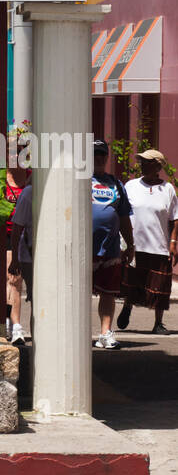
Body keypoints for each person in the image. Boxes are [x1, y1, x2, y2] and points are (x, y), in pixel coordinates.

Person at [117, 149, 178, 335]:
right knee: (132, 281)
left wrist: (173, 242)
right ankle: (128, 305)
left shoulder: (167, 189)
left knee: (160, 286)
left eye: (147, 162)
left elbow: (174, 218)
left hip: (159, 245)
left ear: (158, 166)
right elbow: (122, 213)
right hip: (134, 244)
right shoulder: (131, 186)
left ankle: (158, 323)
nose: (142, 164)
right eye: (142, 161)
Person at [91, 138, 135, 349]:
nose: (98, 159)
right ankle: (77, 333)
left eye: (102, 155)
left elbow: (124, 216)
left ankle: (105, 333)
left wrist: (130, 244)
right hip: (84, 249)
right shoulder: (79, 180)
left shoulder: (116, 183)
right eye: (94, 155)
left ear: (107, 158)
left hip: (110, 248)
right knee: (78, 292)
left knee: (108, 292)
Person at [4, 163, 30, 344]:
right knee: (12, 279)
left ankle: (15, 326)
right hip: (4, 235)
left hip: (26, 236)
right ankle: (12, 324)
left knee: (15, 280)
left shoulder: (32, 176)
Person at [9, 179, 34, 341]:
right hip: (29, 254)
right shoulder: (29, 193)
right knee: (16, 284)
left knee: (41, 299)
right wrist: (15, 259)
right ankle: (15, 326)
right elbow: (17, 228)